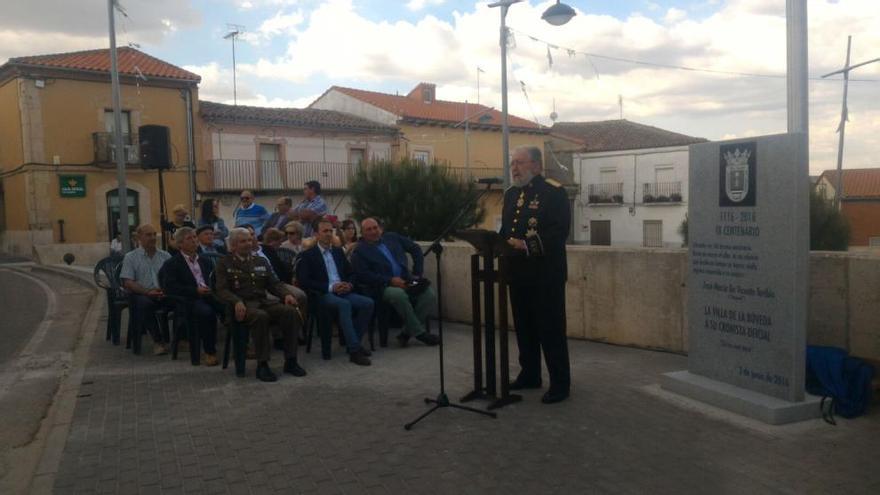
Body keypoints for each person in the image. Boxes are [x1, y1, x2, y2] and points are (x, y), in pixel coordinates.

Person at [500, 146, 572, 404]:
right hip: (518, 274)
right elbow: (505, 230)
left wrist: (526, 245)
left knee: (550, 329)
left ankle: (560, 383)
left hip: (546, 275)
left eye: (519, 163)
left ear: (536, 166)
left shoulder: (553, 192)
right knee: (524, 328)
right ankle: (530, 374)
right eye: (512, 164)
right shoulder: (510, 195)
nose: (514, 168)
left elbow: (558, 232)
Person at [214, 228, 306, 382]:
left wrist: (287, 295)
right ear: (234, 245)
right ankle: (262, 364)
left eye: (250, 240)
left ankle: (291, 360)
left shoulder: (260, 261)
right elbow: (221, 290)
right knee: (261, 317)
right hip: (242, 306)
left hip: (263, 302)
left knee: (289, 312)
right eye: (243, 241)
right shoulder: (224, 263)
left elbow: (274, 284)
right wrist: (236, 301)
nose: (248, 244)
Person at [351, 218, 439, 347]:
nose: (373, 231)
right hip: (383, 287)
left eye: (375, 227)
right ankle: (420, 334)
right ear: (362, 233)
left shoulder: (392, 238)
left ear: (379, 228)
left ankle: (406, 333)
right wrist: (389, 280)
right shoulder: (360, 251)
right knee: (398, 295)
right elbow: (364, 275)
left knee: (429, 295)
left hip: (406, 281)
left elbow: (415, 249)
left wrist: (417, 273)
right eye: (368, 229)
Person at [297, 219, 374, 366]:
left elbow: (351, 273)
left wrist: (349, 284)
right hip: (323, 295)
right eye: (324, 231)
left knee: (368, 303)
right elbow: (304, 281)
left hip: (344, 291)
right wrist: (331, 287)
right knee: (344, 305)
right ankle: (354, 351)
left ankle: (354, 341)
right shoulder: (308, 255)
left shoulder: (338, 252)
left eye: (330, 231)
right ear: (316, 235)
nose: (328, 234)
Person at [160, 227, 221, 366]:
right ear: (180, 244)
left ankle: (241, 346)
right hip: (189, 299)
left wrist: (212, 289)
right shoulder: (172, 264)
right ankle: (209, 352)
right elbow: (170, 287)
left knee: (231, 307)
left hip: (209, 295)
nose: (194, 240)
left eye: (194, 237)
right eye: (189, 238)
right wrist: (195, 290)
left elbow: (215, 280)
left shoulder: (205, 261)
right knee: (207, 313)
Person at [120, 224, 173, 355]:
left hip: (163, 293)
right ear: (139, 237)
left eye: (154, 234)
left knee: (185, 299)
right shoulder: (131, 257)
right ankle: (158, 341)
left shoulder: (165, 256)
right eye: (148, 235)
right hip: (142, 294)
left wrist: (165, 291)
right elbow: (128, 282)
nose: (153, 237)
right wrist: (148, 292)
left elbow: (174, 277)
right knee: (145, 304)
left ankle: (183, 339)